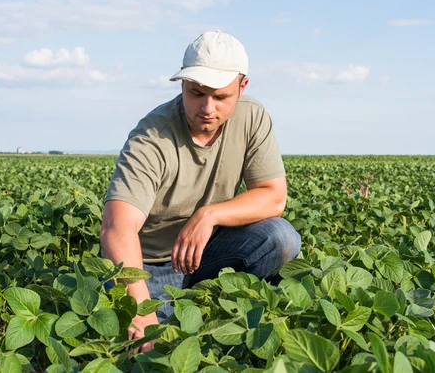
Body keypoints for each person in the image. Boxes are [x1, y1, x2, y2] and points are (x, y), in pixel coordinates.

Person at [100, 30, 302, 350]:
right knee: (155, 347)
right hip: (148, 265)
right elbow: (117, 227)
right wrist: (140, 309)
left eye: (221, 96)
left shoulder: (252, 116)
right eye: (196, 93)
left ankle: (226, 303)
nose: (207, 107)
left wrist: (209, 215)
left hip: (205, 253)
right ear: (182, 85)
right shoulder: (152, 137)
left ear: (242, 87)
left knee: (282, 237)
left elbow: (273, 195)